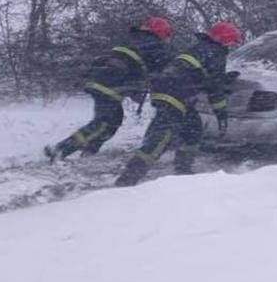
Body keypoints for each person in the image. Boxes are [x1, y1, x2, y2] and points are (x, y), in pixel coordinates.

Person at [115, 20, 243, 187]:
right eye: (231, 41)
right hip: (175, 94)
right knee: (161, 138)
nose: (232, 45)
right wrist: (221, 113)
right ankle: (129, 178)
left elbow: (199, 75)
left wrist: (222, 79)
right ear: (224, 39)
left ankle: (183, 170)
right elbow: (214, 88)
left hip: (170, 90)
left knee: (193, 129)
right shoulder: (216, 52)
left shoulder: (200, 48)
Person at [44, 17, 174, 161]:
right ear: (161, 32)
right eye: (166, 35)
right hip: (110, 86)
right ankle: (61, 149)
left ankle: (88, 152)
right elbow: (163, 66)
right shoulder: (153, 45)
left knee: (112, 121)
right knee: (105, 123)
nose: (166, 40)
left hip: (102, 82)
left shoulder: (134, 39)